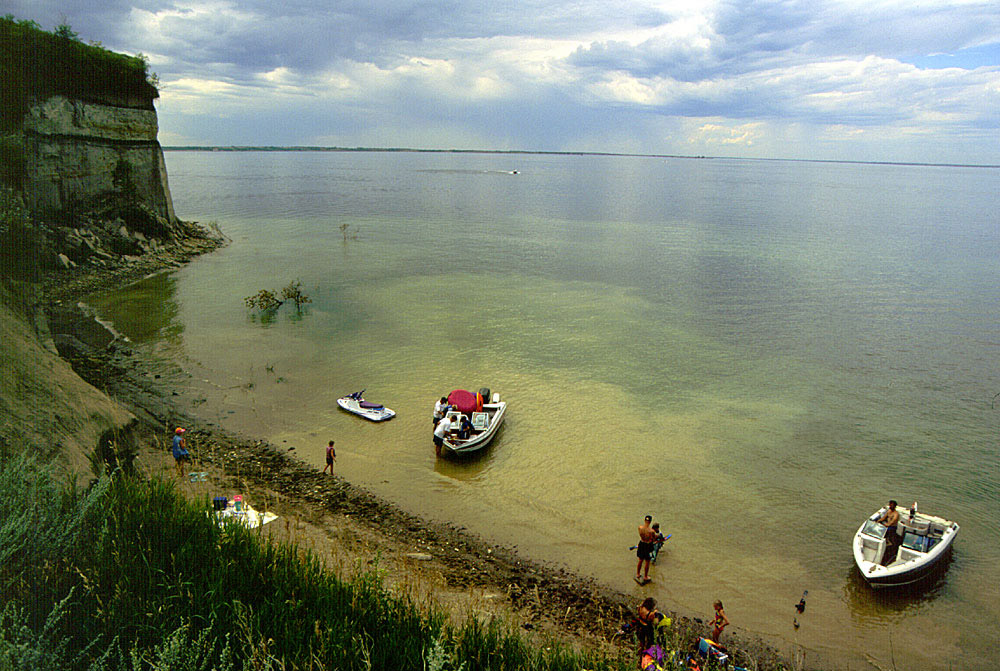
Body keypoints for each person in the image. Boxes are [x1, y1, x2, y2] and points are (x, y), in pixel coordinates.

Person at [636, 515, 657, 584]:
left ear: (645, 520)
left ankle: (638, 574)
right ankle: (645, 576)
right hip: (647, 545)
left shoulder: (640, 528)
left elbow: (641, 535)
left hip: (641, 543)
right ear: (650, 521)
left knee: (640, 560)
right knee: (647, 561)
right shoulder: (651, 531)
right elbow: (653, 539)